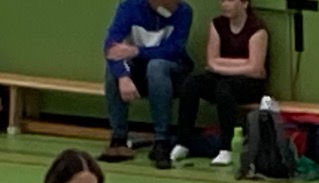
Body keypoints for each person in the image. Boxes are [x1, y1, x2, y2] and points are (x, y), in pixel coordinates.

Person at [172, 0, 269, 167]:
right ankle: (183, 142)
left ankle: (226, 148)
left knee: (224, 89)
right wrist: (242, 64)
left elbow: (256, 69)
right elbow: (211, 62)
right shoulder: (217, 25)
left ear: (244, 3)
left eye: (230, 0)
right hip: (224, 79)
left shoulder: (257, 30)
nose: (225, 4)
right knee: (192, 83)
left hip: (250, 84)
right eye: (222, 0)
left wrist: (222, 66)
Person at [102, 0, 194, 169]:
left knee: (156, 66)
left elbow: (173, 49)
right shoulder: (129, 7)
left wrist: (137, 51)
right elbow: (112, 47)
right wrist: (123, 76)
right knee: (112, 72)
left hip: (172, 73)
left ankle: (162, 140)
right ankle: (119, 138)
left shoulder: (184, 12)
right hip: (140, 70)